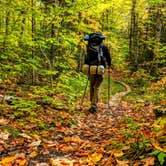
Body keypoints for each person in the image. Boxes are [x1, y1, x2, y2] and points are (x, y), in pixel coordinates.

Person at [83, 32, 111, 113]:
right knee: (97, 87)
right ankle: (93, 105)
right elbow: (108, 56)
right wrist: (109, 65)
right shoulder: (103, 47)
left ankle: (92, 103)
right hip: (100, 68)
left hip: (91, 68)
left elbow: (87, 57)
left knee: (91, 86)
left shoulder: (89, 46)